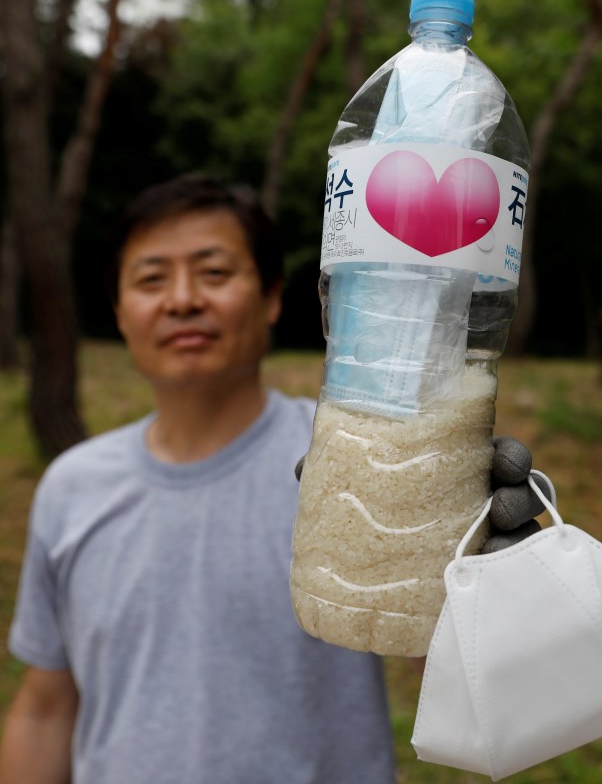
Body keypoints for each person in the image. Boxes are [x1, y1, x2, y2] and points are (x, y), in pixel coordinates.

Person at [0, 174, 547, 784]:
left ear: (272, 298)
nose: (182, 299)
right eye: (151, 279)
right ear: (119, 311)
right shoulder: (71, 487)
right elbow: (46, 707)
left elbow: (456, 677)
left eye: (213, 272)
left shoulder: (357, 459)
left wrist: (485, 595)